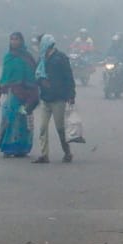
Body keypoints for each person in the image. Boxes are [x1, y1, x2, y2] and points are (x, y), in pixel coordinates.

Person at [32, 34, 76, 164]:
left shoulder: (60, 58)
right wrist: (41, 81)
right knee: (42, 128)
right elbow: (37, 75)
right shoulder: (42, 59)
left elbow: (68, 77)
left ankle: (67, 152)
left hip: (58, 99)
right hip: (46, 98)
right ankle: (44, 155)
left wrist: (71, 95)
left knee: (60, 128)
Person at [0, 32, 39, 158]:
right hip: (11, 93)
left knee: (23, 120)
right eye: (12, 39)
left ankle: (22, 148)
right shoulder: (8, 57)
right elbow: (4, 76)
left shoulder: (27, 57)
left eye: (17, 39)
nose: (14, 42)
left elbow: (33, 74)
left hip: (25, 93)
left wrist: (31, 92)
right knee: (9, 118)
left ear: (22, 41)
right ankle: (7, 147)